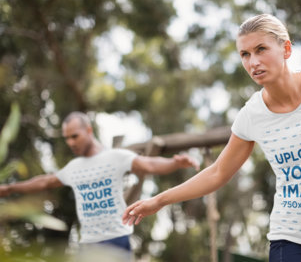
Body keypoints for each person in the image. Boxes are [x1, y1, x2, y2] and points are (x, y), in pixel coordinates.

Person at [122, 14, 301, 262]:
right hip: (291, 239)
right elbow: (218, 172)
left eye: (260, 49)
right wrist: (158, 200)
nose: (253, 62)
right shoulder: (252, 115)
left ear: (285, 48)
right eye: (245, 54)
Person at [0, 111, 199, 258]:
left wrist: (174, 163)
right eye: (67, 138)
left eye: (74, 136)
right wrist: (9, 189)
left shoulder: (115, 157)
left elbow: (149, 164)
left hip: (116, 241)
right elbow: (44, 182)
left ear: (88, 130)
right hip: (87, 244)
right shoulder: (74, 167)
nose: (70, 142)